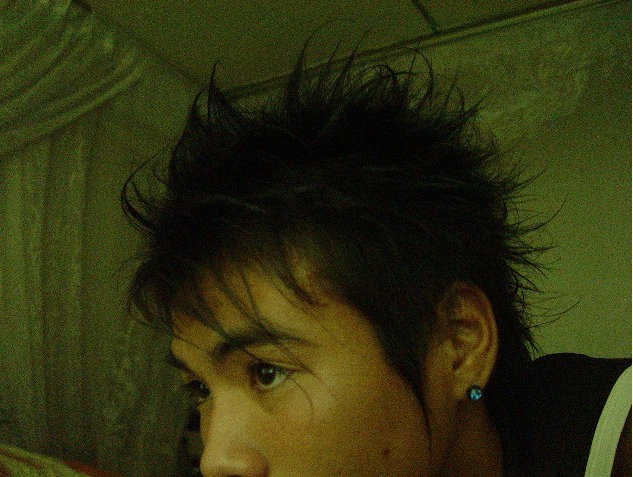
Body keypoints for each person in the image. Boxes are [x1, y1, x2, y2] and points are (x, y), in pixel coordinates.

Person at [121, 46, 631, 477]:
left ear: (458, 344)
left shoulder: (611, 439)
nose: (215, 459)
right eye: (201, 390)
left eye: (267, 372)